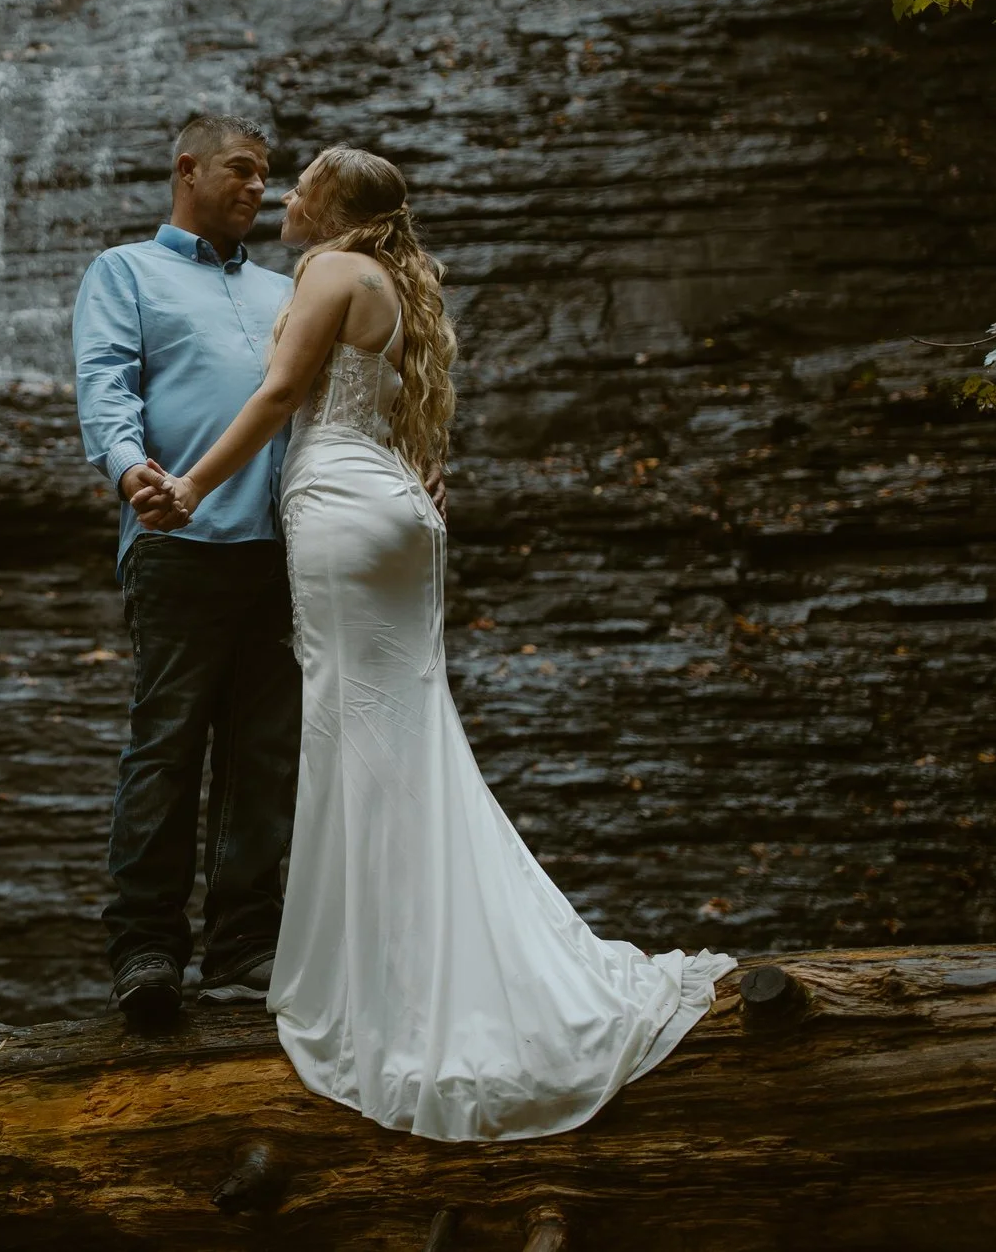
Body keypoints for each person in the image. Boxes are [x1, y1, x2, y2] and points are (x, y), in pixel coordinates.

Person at [144, 142, 733, 1141]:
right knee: (407, 736)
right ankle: (422, 956)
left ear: (334, 204)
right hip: (394, 506)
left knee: (354, 735)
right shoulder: (395, 280)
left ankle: (385, 983)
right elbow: (401, 415)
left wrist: (192, 486)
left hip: (339, 505)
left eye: (303, 184)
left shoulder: (331, 267)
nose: (285, 193)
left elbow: (282, 395)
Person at [70, 114, 301, 1024]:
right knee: (166, 746)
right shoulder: (125, 271)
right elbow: (105, 382)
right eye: (241, 169)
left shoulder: (289, 288)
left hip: (283, 550)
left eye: (266, 175)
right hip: (177, 539)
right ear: (187, 169)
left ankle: (244, 947)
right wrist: (131, 470)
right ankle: (147, 950)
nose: (258, 188)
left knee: (264, 753)